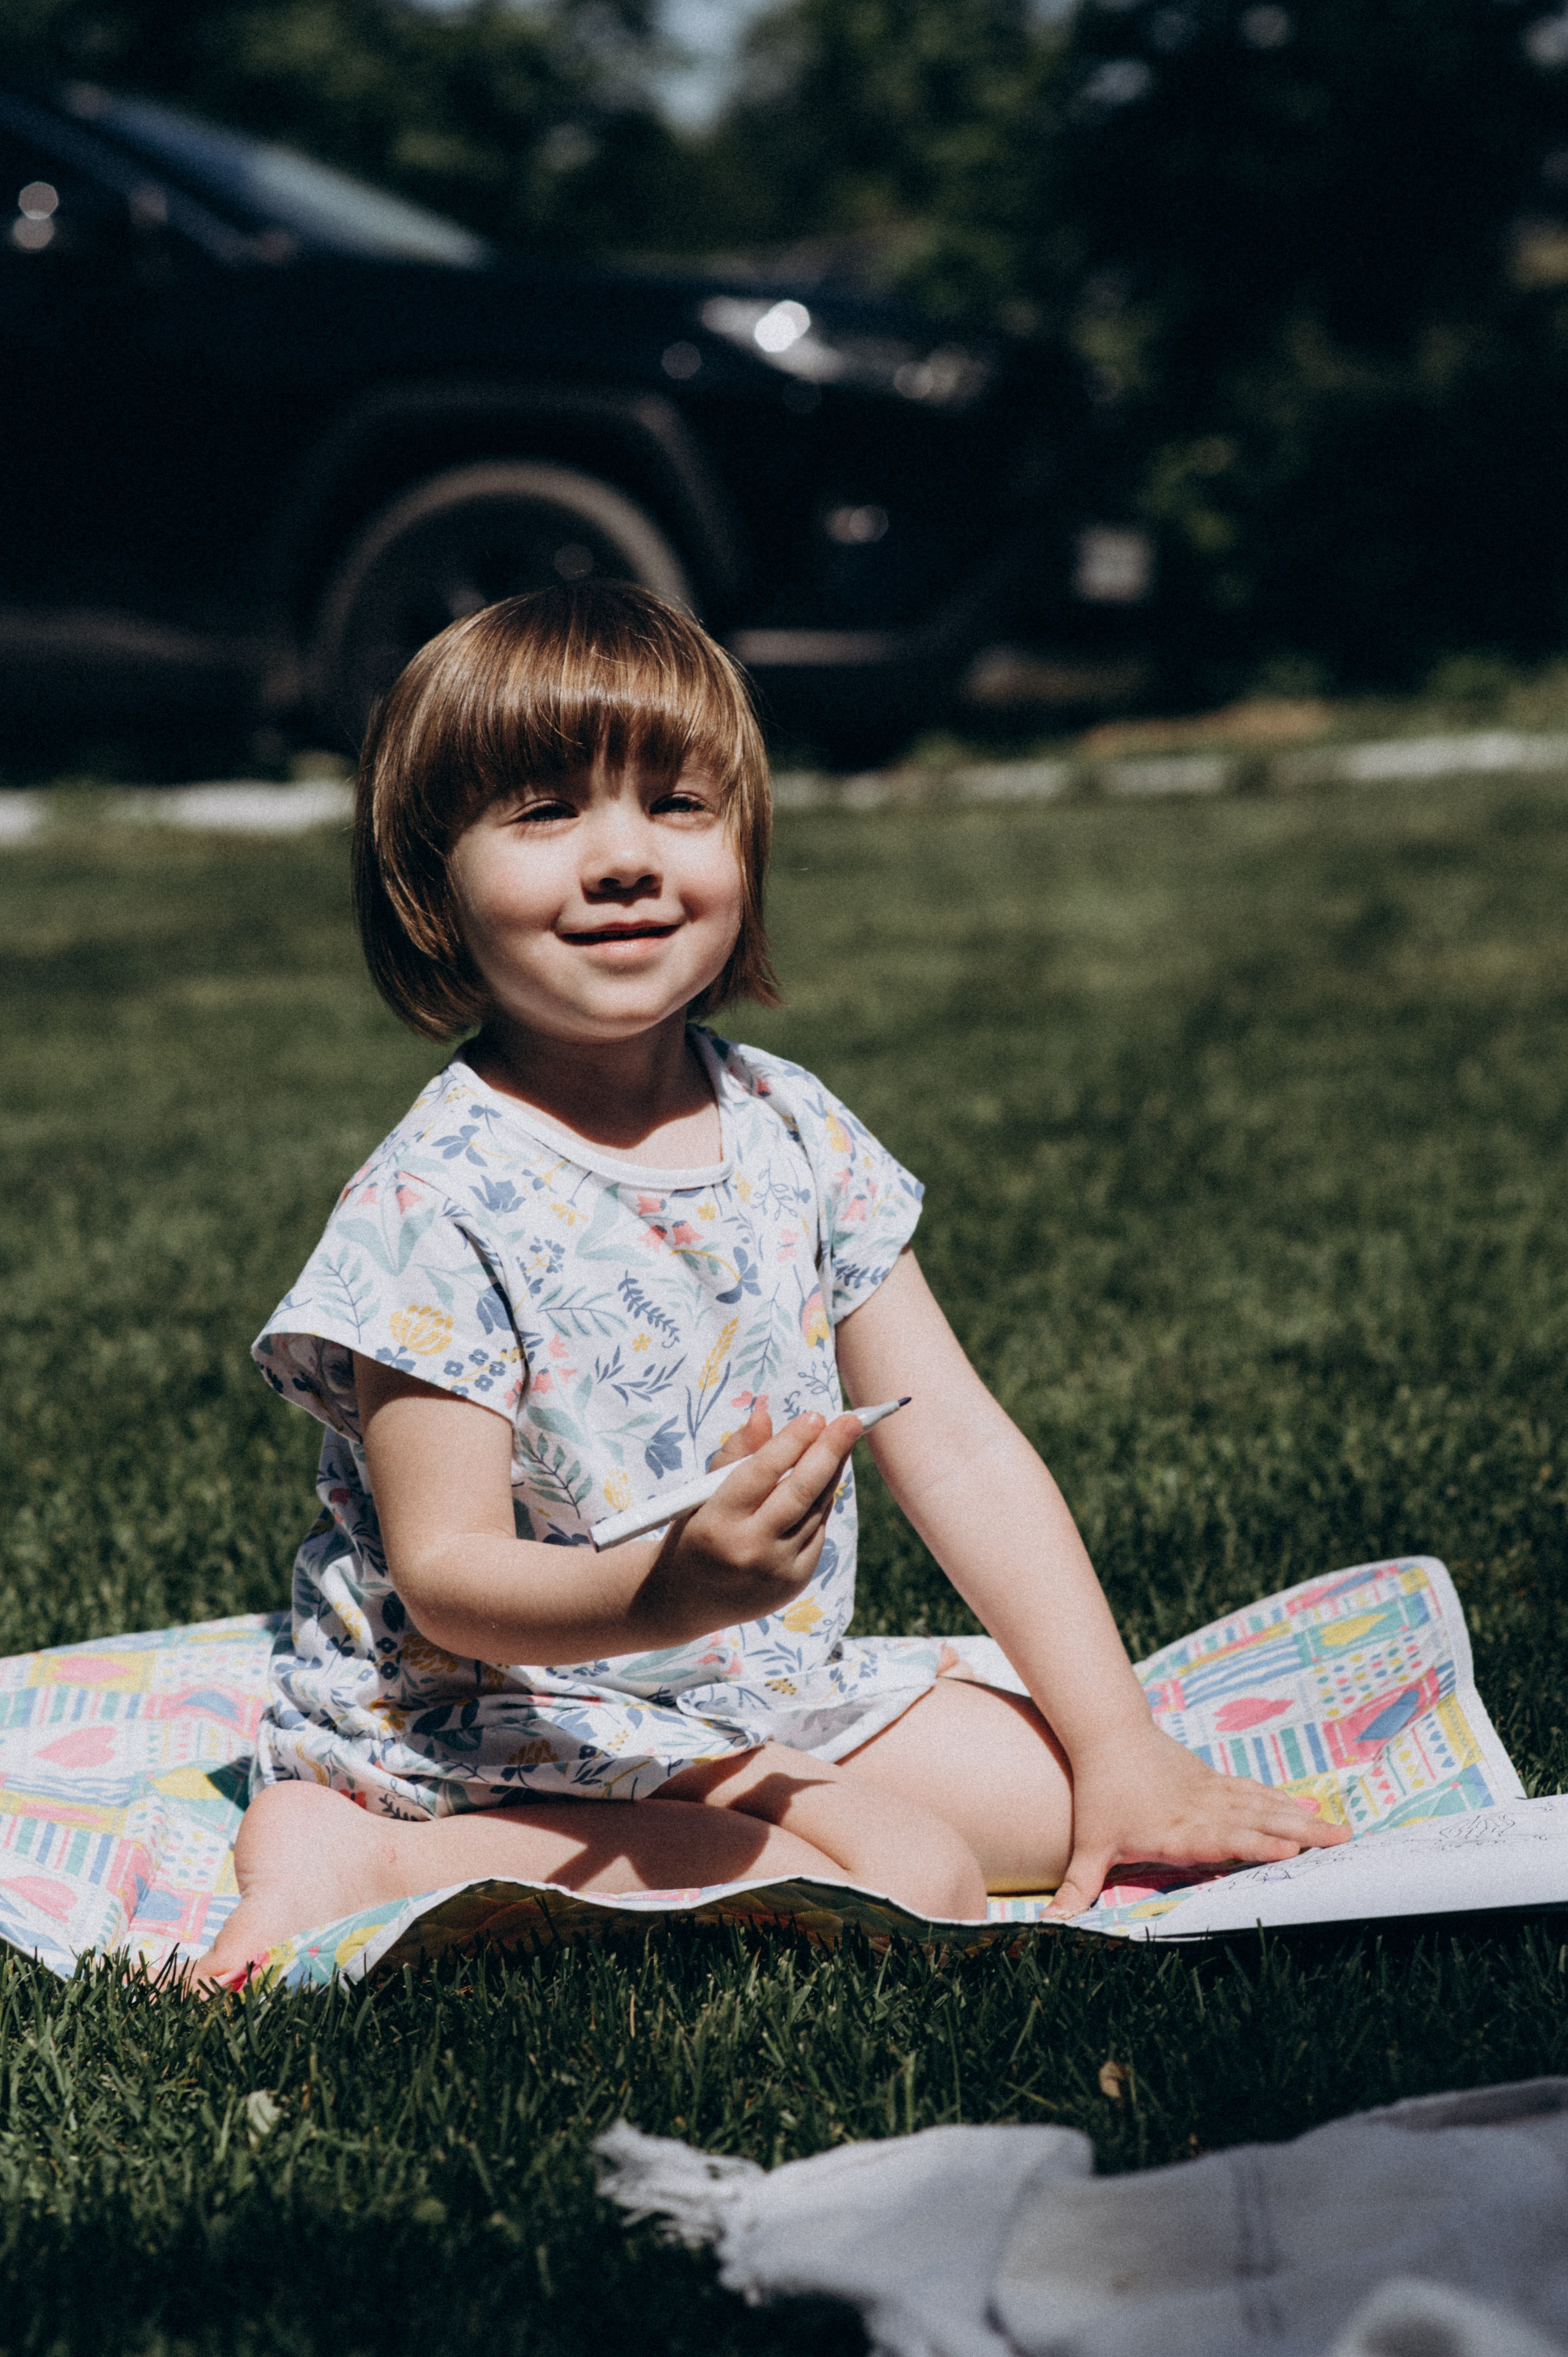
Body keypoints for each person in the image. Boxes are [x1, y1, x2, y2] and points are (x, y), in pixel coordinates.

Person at [196, 582, 1347, 1980]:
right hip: (501, 1720)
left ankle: (827, 1802)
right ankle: (363, 1857)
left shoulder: (790, 1127)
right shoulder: (436, 1199)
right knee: (915, 1879)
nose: (625, 858)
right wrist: (667, 1595)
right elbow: (447, 1578)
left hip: (753, 1686)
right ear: (431, 885)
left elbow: (958, 1443)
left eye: (677, 804)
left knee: (1070, 1800)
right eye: (546, 811)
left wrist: (1120, 1744)